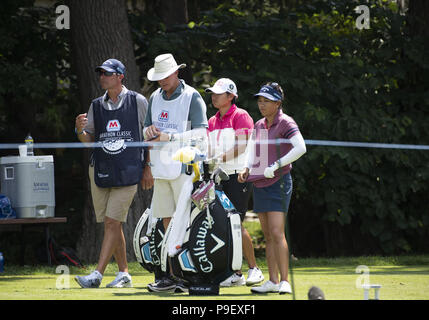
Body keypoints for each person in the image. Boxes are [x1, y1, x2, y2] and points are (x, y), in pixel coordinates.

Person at [74, 58, 152, 288]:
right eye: (100, 73)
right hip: (101, 170)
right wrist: (79, 129)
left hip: (128, 171)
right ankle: (124, 273)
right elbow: (88, 141)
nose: (102, 77)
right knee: (112, 223)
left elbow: (149, 137)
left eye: (107, 73)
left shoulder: (138, 101)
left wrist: (148, 167)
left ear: (120, 76)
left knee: (111, 221)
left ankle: (97, 274)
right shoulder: (96, 104)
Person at [143, 53, 208, 293]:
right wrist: (148, 131)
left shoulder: (192, 96)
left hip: (184, 169)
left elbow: (202, 134)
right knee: (167, 222)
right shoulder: (154, 97)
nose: (162, 81)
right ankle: (171, 276)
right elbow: (145, 132)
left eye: (165, 76)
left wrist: (170, 137)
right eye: (158, 77)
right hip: (161, 168)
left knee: (184, 222)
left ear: (176, 73)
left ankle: (187, 276)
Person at [238, 82, 306, 294]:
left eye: (266, 101)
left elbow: (300, 147)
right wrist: (247, 167)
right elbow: (252, 149)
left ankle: (285, 280)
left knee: (277, 233)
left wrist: (277, 165)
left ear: (278, 103)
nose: (261, 104)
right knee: (267, 235)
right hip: (260, 181)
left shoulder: (286, 122)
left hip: (279, 181)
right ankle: (273, 280)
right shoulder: (259, 125)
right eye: (260, 100)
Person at [205, 78, 264, 287]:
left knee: (236, 223)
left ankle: (254, 269)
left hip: (239, 177)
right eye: (212, 93)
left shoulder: (241, 116)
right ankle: (235, 272)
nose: (214, 96)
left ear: (231, 96)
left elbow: (241, 146)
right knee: (224, 226)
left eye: (218, 93)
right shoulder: (211, 121)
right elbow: (209, 149)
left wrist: (217, 158)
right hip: (219, 178)